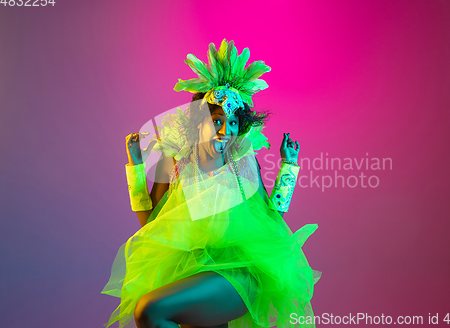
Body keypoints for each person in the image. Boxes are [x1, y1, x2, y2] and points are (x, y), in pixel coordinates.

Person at [101, 39, 322, 328]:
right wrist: (136, 168)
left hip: (237, 274)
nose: (225, 131)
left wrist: (288, 167)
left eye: (232, 122)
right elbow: (150, 225)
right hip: (194, 270)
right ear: (199, 120)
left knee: (150, 311)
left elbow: (271, 221)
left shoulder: (241, 161)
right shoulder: (175, 160)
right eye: (217, 119)